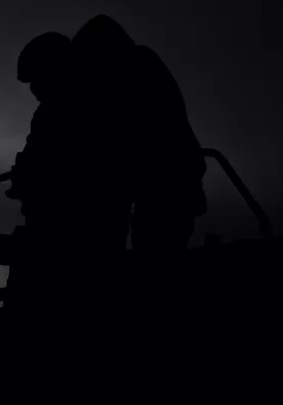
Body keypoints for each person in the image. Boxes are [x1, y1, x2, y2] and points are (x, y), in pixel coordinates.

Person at [7, 29, 131, 315]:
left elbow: (67, 174)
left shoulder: (78, 111)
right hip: (69, 231)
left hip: (68, 237)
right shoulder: (66, 109)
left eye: (35, 80)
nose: (33, 89)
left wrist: (29, 180)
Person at [71, 15, 206, 276]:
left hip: (168, 182)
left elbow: (131, 134)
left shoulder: (133, 68)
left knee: (156, 255)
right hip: (167, 181)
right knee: (152, 251)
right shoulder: (138, 65)